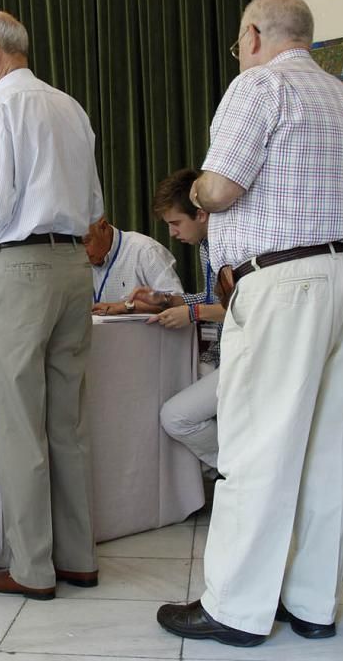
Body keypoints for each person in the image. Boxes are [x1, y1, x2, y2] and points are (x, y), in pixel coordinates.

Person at [155, 0, 343, 648]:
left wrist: (198, 189)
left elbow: (221, 189)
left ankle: (236, 609)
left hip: (285, 280)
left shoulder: (260, 85)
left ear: (253, 33)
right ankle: (311, 604)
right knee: (329, 448)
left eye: (237, 41)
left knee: (257, 446)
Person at [0, 10, 104, 600]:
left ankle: (32, 567)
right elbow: (93, 204)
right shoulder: (70, 107)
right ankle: (79, 557)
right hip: (73, 267)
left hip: (19, 269)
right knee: (67, 422)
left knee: (18, 425)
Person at [128, 169, 225, 472]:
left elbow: (248, 308)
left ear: (201, 214)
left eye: (175, 223)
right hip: (222, 355)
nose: (172, 233)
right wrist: (167, 301)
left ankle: (240, 474)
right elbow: (215, 301)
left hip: (247, 359)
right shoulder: (207, 247)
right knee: (163, 383)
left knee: (175, 417)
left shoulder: (231, 246)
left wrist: (193, 314)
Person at [83, 216, 182, 314]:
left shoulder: (145, 250)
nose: (81, 252)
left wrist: (126, 307)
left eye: (85, 242)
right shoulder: (74, 260)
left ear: (103, 227)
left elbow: (177, 301)